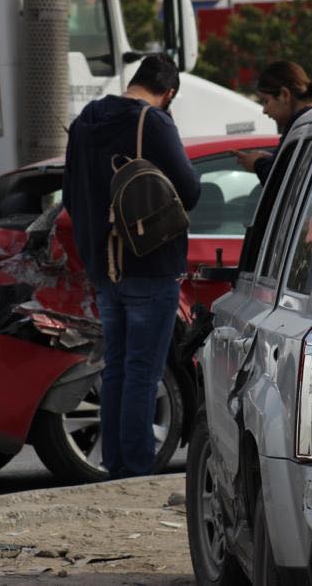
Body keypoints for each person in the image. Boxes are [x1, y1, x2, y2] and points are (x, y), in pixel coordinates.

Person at [62, 54, 200, 479]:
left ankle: (115, 461)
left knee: (118, 365)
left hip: (104, 269)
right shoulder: (153, 123)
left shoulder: (86, 119)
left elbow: (69, 193)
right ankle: (135, 467)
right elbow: (189, 190)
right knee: (144, 369)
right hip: (150, 263)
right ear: (169, 92)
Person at [234, 61, 312, 184]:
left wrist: (257, 164)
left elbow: (279, 182)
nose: (265, 110)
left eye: (266, 101)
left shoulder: (302, 125)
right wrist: (272, 160)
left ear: (284, 95)